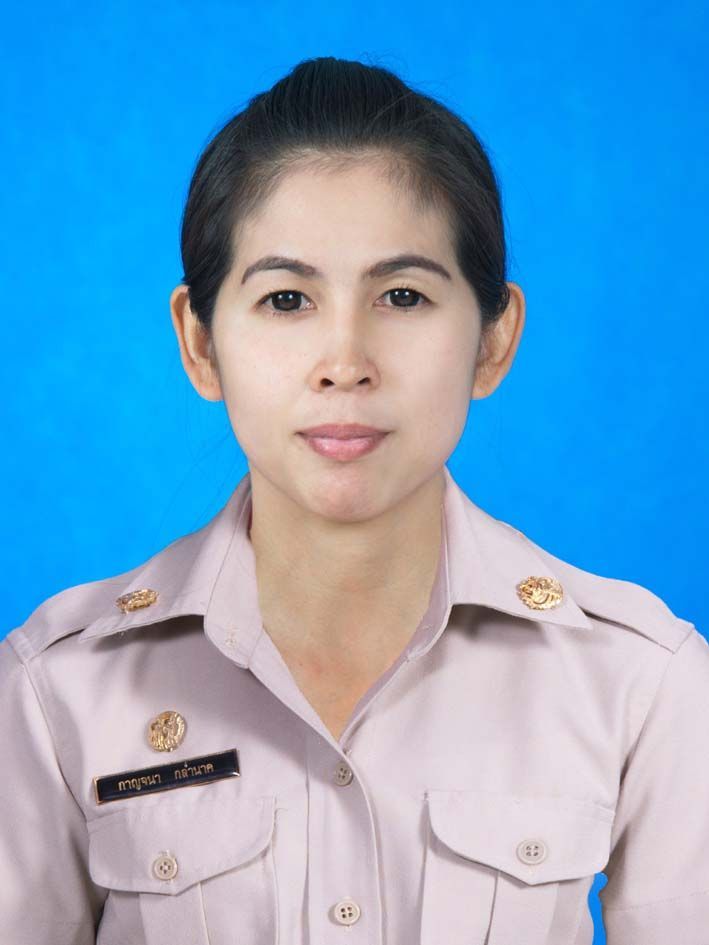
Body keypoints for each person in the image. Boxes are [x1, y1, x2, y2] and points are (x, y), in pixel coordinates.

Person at [1, 55, 707, 945]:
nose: (344, 361)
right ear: (200, 343)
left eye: (402, 295)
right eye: (285, 299)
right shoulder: (54, 689)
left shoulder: (640, 680)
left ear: (493, 340)